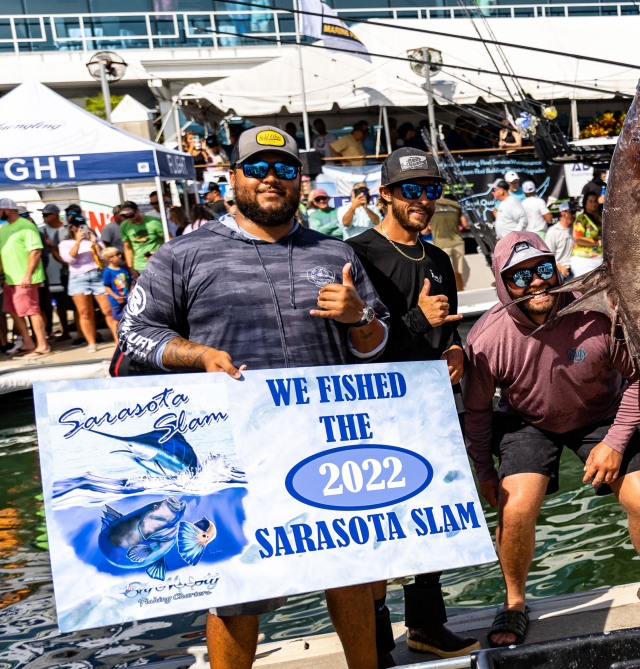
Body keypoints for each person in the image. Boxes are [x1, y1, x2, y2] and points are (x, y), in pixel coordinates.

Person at [113, 125, 388, 669]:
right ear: (232, 178)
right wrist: (199, 355)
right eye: (257, 169)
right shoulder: (181, 255)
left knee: (352, 579)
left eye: (284, 170)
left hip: (327, 446)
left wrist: (359, 318)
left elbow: (374, 348)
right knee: (238, 591)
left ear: (299, 181)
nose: (270, 179)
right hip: (232, 453)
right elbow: (134, 331)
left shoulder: (335, 252)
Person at [462, 232, 640, 648]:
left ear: (557, 268)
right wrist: (484, 470)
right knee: (515, 508)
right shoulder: (486, 338)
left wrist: (616, 441)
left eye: (543, 269)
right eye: (520, 276)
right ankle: (515, 602)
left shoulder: (596, 315)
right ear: (501, 282)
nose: (536, 282)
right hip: (527, 421)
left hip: (600, 415)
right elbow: (478, 413)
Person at [346, 147, 478, 665]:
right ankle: (375, 645)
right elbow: (352, 346)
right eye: (410, 190)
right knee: (374, 528)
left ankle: (426, 626)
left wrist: (453, 346)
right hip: (375, 410)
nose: (423, 200)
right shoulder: (355, 253)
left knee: (432, 518)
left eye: (430, 190)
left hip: (431, 407)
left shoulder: (439, 258)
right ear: (385, 194)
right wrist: (420, 321)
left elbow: (446, 326)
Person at [0, 197, 49, 358]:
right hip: (10, 279)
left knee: (32, 311)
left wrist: (27, 275)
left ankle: (43, 345)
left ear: (6, 210)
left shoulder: (26, 226)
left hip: (25, 278)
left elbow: (35, 252)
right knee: (13, 311)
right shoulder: (4, 229)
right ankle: (28, 341)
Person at [59, 218, 117, 352]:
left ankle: (117, 340)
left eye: (83, 225)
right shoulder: (65, 243)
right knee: (85, 313)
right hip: (78, 278)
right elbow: (70, 259)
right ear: (72, 228)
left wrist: (95, 243)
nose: (81, 229)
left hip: (97, 275)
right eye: (78, 226)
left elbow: (104, 257)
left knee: (108, 310)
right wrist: (78, 241)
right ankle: (91, 342)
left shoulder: (93, 240)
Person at [38, 203, 73, 340]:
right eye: (43, 215)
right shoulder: (41, 231)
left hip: (64, 272)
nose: (44, 217)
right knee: (48, 306)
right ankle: (50, 331)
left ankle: (66, 331)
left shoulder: (66, 229)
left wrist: (53, 246)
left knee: (64, 304)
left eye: (46, 214)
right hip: (48, 273)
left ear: (55, 215)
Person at [430, 193, 467, 290]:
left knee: (446, 275)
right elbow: (465, 224)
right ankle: (461, 295)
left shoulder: (431, 205)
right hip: (458, 243)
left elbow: (424, 230)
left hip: (441, 245)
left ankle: (451, 298)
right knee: (458, 274)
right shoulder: (456, 205)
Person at [119, 200, 164, 274]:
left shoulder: (154, 222)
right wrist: (130, 267)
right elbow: (127, 248)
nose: (130, 219)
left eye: (131, 215)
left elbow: (169, 240)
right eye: (125, 217)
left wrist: (161, 254)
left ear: (137, 210)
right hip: (138, 266)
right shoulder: (124, 226)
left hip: (157, 263)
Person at [101, 245, 131, 340]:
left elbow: (131, 282)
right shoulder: (107, 272)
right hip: (116, 301)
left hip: (127, 298)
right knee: (117, 320)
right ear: (109, 259)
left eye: (119, 254)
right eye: (116, 255)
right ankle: (117, 339)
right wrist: (116, 297)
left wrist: (131, 293)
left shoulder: (124, 269)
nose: (120, 256)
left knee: (129, 319)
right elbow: (106, 287)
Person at [570, 191, 603, 277]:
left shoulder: (600, 218)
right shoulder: (581, 219)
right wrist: (598, 242)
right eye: (590, 201)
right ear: (585, 203)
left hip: (598, 259)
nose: (594, 204)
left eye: (595, 201)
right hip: (583, 260)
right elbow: (577, 239)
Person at [545, 201, 574, 279]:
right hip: (561, 270)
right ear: (563, 213)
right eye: (571, 212)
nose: (574, 215)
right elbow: (548, 256)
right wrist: (561, 268)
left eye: (575, 212)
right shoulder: (552, 232)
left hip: (577, 267)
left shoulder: (577, 228)